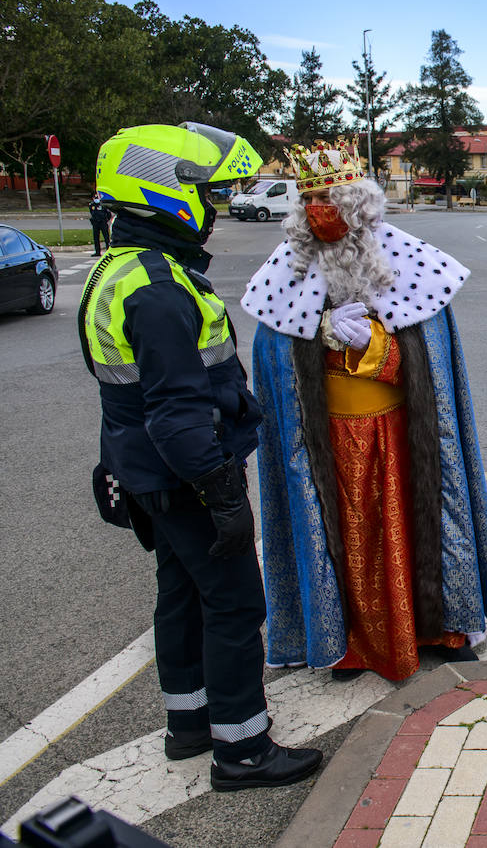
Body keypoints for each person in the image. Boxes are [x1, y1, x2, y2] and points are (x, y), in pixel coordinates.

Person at [79, 122, 322, 791]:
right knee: (236, 605)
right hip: (186, 475)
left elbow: (122, 395)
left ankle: (188, 724)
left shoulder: (118, 269)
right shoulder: (159, 289)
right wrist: (222, 494)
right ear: (163, 190)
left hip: (148, 471)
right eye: (208, 194)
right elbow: (176, 412)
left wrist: (115, 465)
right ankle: (243, 751)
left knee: (182, 595)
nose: (215, 207)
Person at [243, 138, 487, 683]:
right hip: (329, 442)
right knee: (345, 541)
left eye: (329, 198)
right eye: (309, 199)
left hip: (399, 433)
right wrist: (320, 333)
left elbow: (430, 365)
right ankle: (350, 644)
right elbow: (277, 365)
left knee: (422, 526)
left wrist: (374, 344)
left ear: (356, 203)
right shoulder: (286, 270)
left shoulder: (407, 261)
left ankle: (439, 628)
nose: (319, 210)